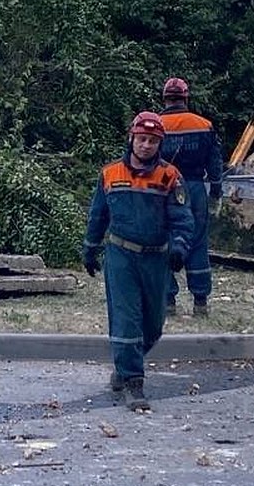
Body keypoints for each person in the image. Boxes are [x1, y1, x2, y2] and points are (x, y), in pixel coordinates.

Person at [83, 111, 195, 411]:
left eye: (153, 141)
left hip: (155, 258)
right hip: (121, 255)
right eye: (142, 139)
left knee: (153, 324)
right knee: (126, 318)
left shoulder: (170, 176)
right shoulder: (110, 174)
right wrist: (90, 248)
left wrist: (180, 248)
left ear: (160, 144)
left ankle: (124, 365)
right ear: (132, 138)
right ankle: (134, 383)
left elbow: (182, 218)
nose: (146, 145)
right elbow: (98, 215)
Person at [158, 77, 224, 317]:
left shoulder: (154, 125)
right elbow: (215, 162)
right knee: (197, 242)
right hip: (195, 189)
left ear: (165, 98)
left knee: (163, 241)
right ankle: (200, 302)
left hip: (163, 188)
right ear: (186, 98)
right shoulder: (203, 125)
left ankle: (167, 302)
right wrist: (216, 191)